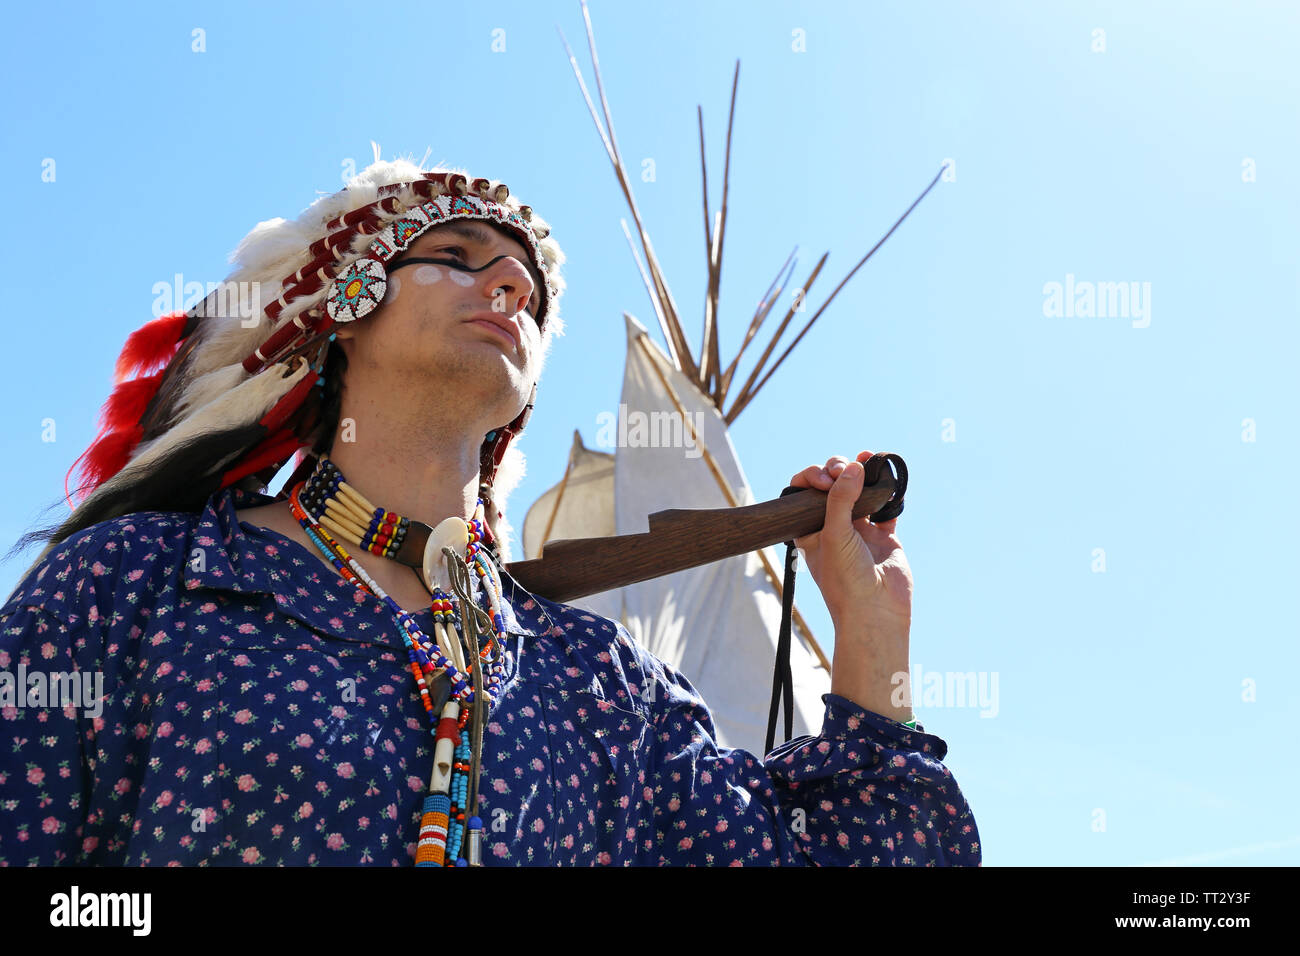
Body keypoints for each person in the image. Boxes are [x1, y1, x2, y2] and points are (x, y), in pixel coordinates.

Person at [0, 155, 981, 866]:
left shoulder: (602, 683)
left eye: (526, 283)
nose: (509, 280)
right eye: (458, 254)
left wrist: (872, 631)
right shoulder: (143, 580)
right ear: (349, 300)